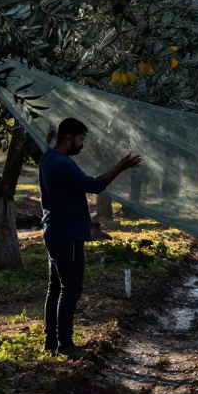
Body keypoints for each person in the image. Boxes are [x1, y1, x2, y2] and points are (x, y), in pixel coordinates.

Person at [39, 117, 141, 358]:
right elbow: (93, 186)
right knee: (70, 289)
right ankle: (65, 345)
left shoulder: (48, 158)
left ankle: (51, 342)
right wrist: (120, 167)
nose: (82, 145)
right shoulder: (61, 163)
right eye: (81, 139)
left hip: (55, 231)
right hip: (66, 233)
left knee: (55, 288)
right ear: (68, 138)